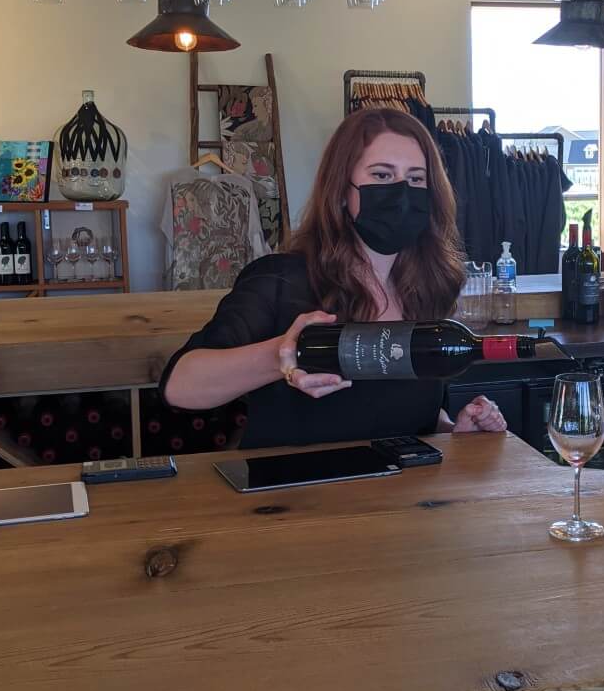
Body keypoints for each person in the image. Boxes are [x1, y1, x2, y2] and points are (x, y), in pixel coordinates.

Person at [161, 107, 508, 448]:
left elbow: (405, 414)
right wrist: (286, 353)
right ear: (342, 190)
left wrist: (453, 430)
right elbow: (181, 385)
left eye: (416, 179)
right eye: (382, 176)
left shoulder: (426, 293)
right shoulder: (282, 280)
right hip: (291, 498)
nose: (402, 193)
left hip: (399, 499)